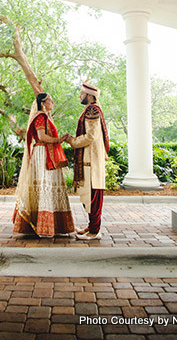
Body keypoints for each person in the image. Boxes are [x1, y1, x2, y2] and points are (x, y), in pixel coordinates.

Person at [12, 92, 75, 237]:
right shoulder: (40, 116)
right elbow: (41, 137)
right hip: (42, 153)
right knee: (43, 186)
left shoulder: (45, 116)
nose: (52, 102)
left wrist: (59, 139)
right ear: (42, 103)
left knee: (48, 187)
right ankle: (41, 226)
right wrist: (58, 140)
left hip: (46, 152)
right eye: (50, 101)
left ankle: (51, 226)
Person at [63, 81, 109, 240]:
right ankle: (91, 226)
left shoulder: (91, 109)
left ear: (90, 96)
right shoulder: (93, 109)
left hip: (91, 159)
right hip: (91, 159)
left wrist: (72, 141)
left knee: (93, 196)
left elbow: (91, 136)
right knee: (90, 195)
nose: (80, 96)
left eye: (82, 93)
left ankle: (94, 232)